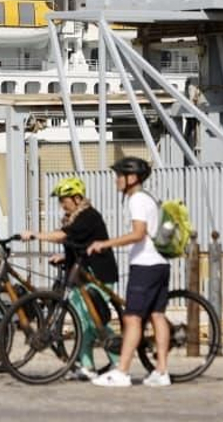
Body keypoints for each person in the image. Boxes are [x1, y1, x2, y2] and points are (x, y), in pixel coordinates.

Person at [20, 176, 119, 381]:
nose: (61, 203)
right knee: (81, 322)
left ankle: (119, 362)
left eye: (64, 199)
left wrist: (36, 235)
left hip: (99, 275)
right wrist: (65, 257)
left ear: (76, 198)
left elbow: (65, 236)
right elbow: (80, 244)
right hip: (81, 277)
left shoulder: (88, 216)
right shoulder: (73, 218)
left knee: (93, 321)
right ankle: (87, 367)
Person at [88, 157, 171, 387]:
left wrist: (105, 244)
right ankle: (161, 371)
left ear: (131, 178)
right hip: (160, 264)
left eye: (119, 175)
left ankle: (122, 371)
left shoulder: (136, 200)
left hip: (145, 266)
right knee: (157, 315)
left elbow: (138, 234)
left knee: (132, 317)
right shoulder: (148, 199)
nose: (116, 180)